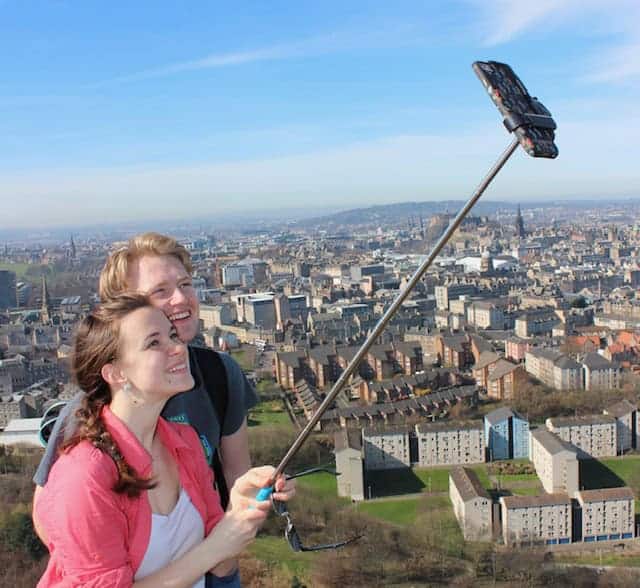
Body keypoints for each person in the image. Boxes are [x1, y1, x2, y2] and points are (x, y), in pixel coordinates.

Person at [34, 233, 262, 582]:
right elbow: (52, 521)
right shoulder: (85, 424)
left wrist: (243, 510)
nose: (181, 298)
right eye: (161, 291)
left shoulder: (209, 391)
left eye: (186, 283)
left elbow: (234, 480)